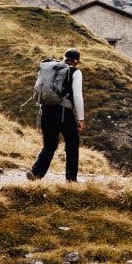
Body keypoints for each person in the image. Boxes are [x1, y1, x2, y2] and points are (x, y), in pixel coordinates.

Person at [28, 48, 85, 182]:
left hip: (47, 111)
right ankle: (71, 179)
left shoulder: (52, 69)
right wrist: (81, 119)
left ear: (64, 58)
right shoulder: (75, 72)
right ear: (76, 61)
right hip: (65, 113)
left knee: (49, 145)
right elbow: (77, 96)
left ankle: (35, 173)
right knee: (72, 145)